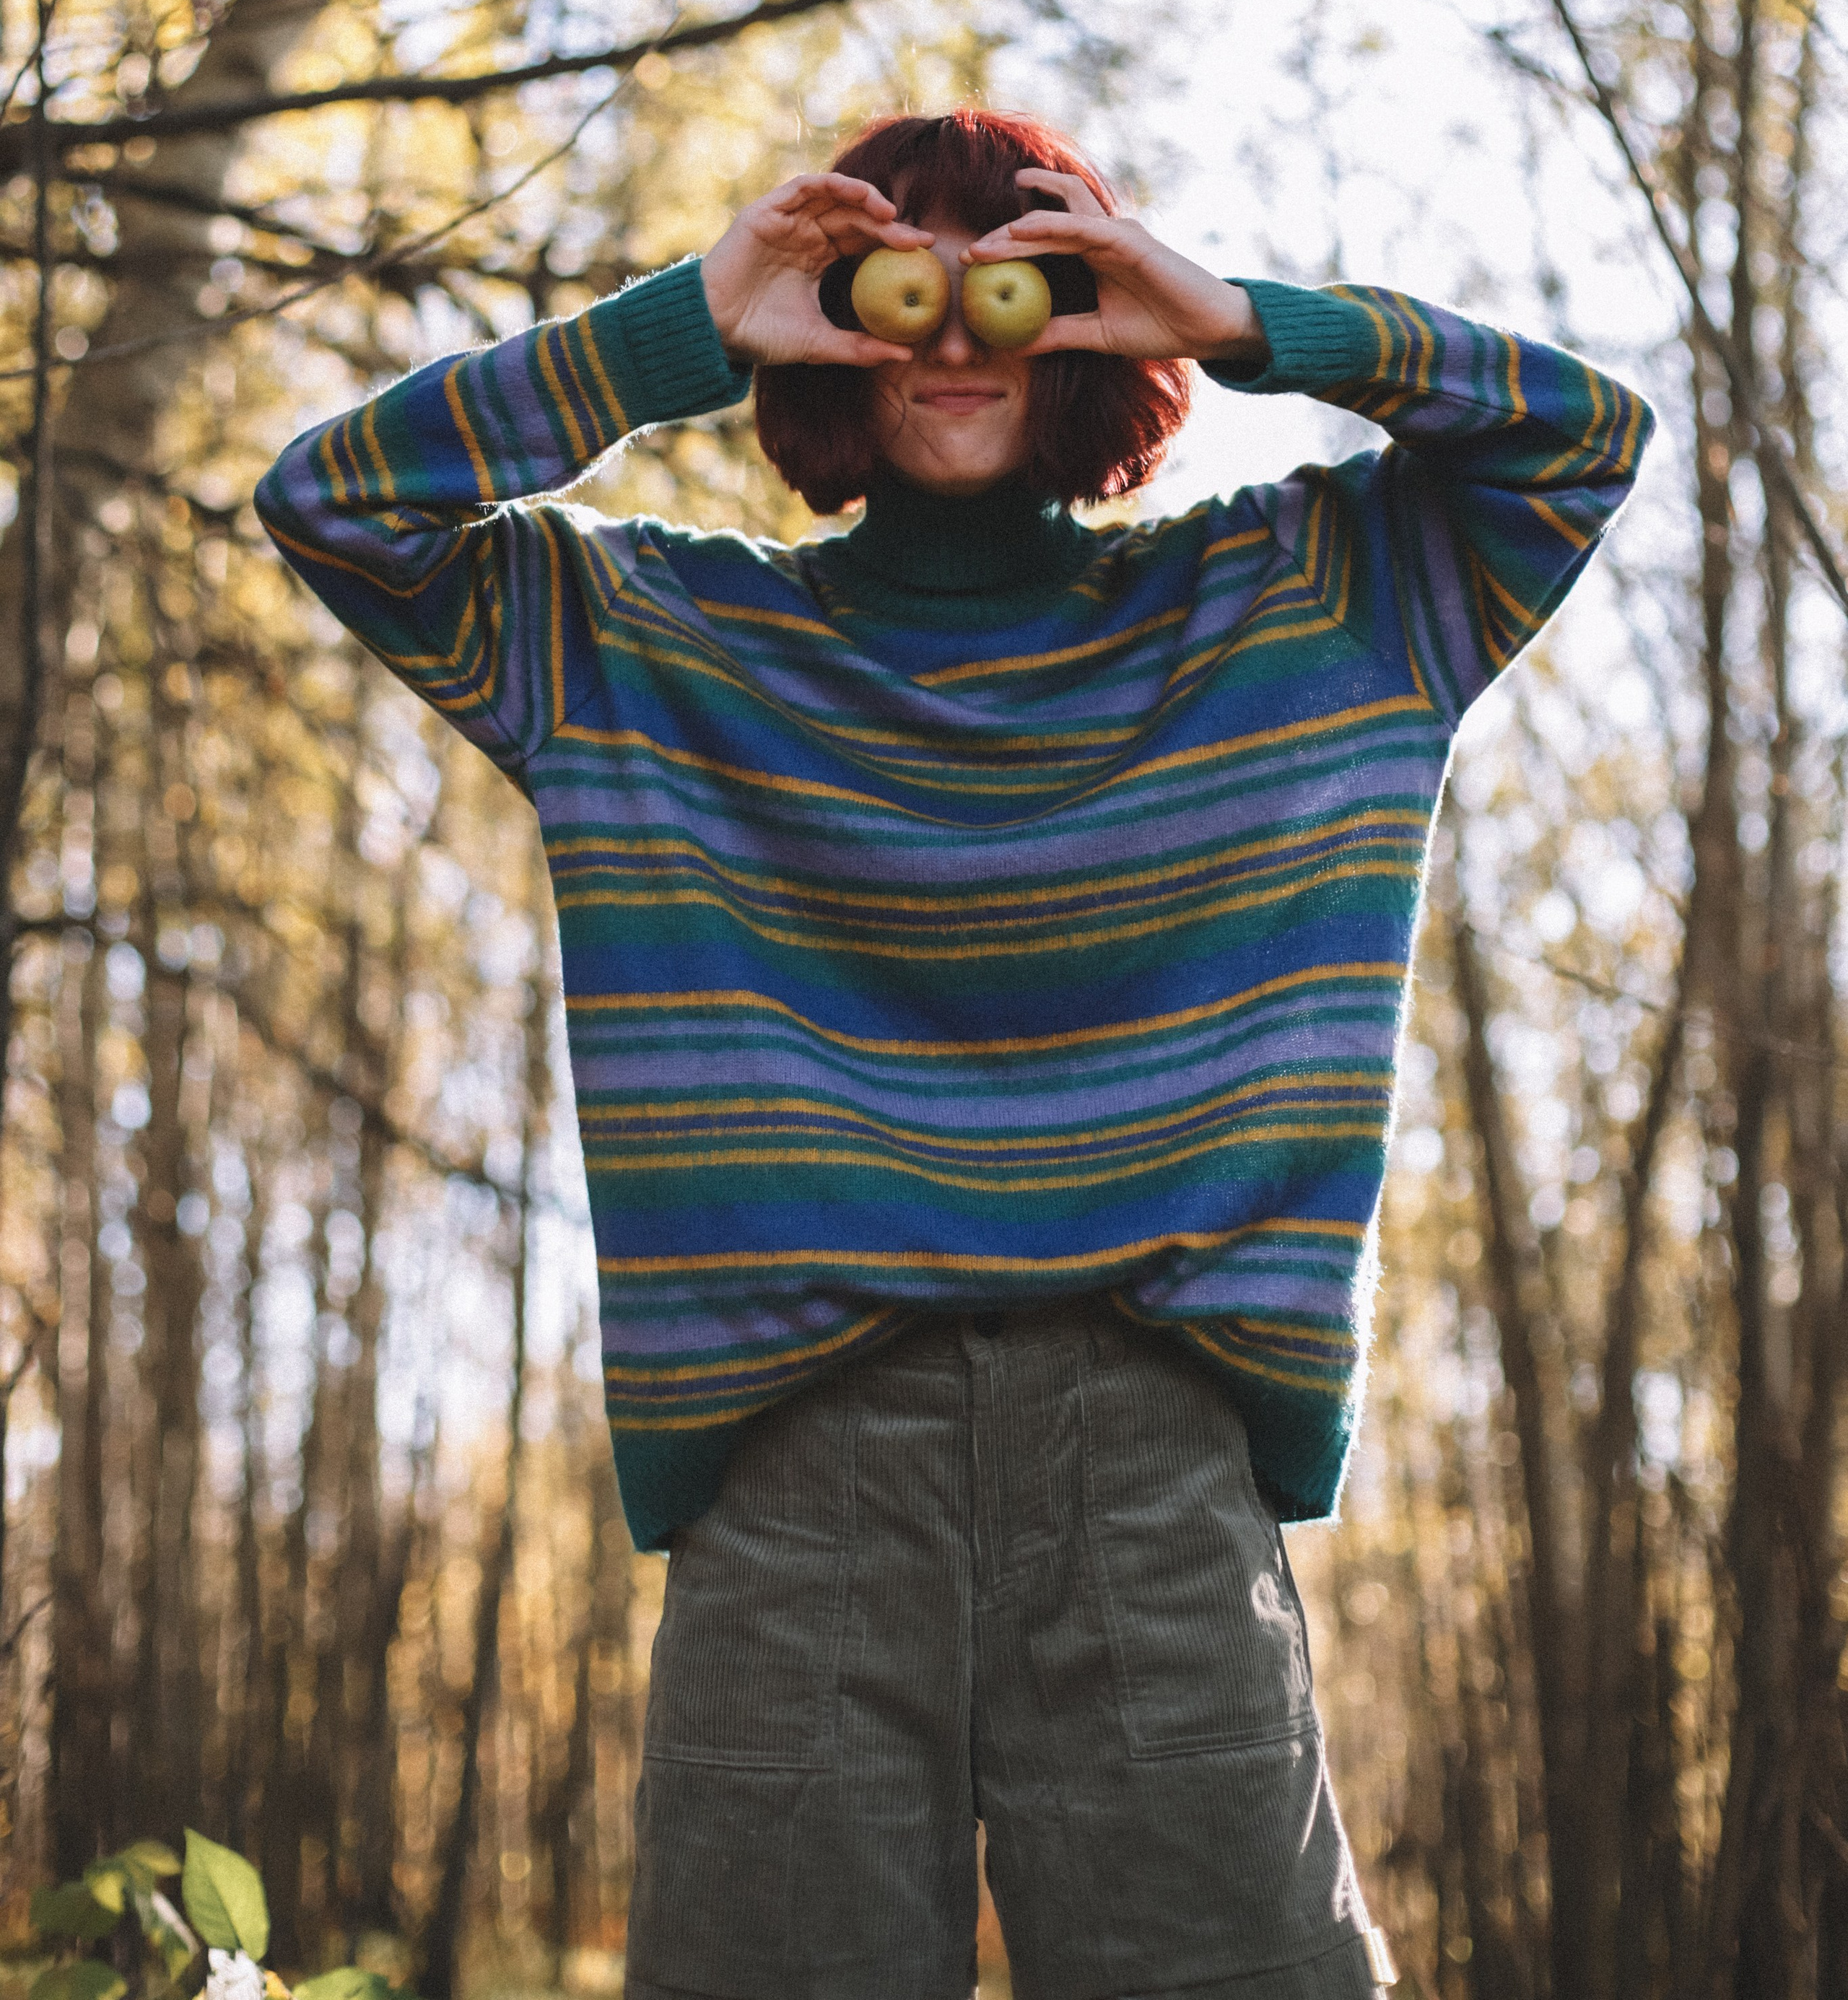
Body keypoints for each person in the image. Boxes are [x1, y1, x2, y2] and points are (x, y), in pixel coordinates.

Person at [256, 108, 1654, 2000]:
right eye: (896, 277)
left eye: (1016, 278)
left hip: (1156, 1464)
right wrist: (687, 326)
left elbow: (1583, 441)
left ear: (1085, 318)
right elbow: (335, 502)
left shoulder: (1302, 606)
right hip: (797, 1474)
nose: (954, 331)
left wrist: (1243, 324)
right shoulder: (653, 637)